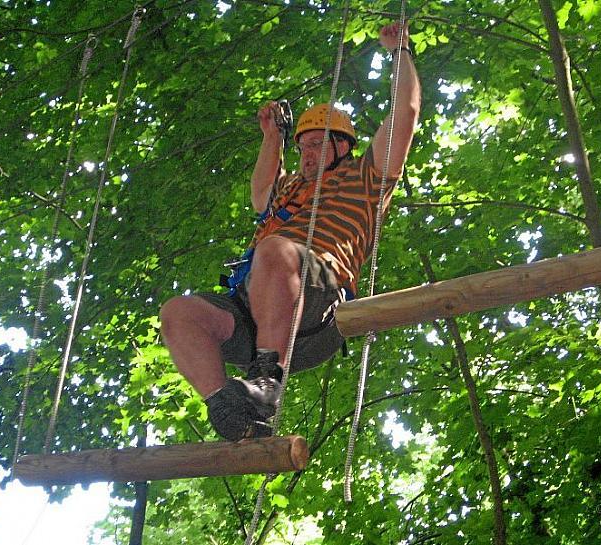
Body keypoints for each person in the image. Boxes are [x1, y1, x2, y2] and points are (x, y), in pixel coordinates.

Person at [160, 22, 421, 441]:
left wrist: (401, 53)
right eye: (303, 147)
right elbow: (261, 191)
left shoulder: (367, 176)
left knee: (275, 250)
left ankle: (266, 381)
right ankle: (229, 409)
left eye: (319, 144)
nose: (308, 154)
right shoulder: (292, 190)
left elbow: (405, 114)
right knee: (179, 313)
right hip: (260, 303)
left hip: (320, 299)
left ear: (344, 147)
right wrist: (272, 137)